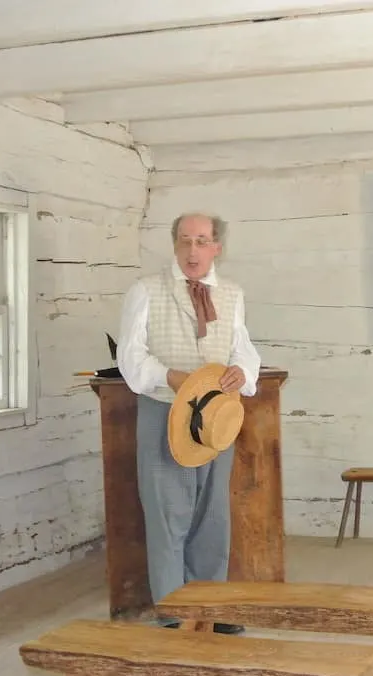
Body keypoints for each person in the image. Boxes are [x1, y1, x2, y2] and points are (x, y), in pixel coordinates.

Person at [116, 212, 261, 633]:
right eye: (184, 241)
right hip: (165, 411)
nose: (192, 250)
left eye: (201, 241)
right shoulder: (145, 291)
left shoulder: (231, 294)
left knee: (211, 513)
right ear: (174, 245)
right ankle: (173, 609)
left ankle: (213, 606)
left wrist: (241, 372)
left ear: (217, 247)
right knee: (167, 512)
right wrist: (170, 377)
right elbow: (130, 355)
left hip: (216, 417)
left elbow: (243, 348)